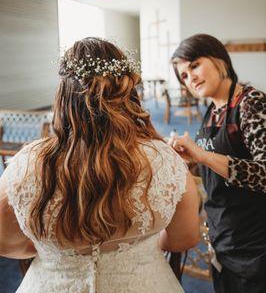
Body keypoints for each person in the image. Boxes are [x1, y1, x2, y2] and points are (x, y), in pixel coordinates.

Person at [0, 37, 200, 293]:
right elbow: (185, 238)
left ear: (63, 95)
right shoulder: (165, 159)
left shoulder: (24, 165)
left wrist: (55, 253)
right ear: (129, 94)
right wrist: (139, 248)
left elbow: (5, 242)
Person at [169, 33, 266, 293]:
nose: (191, 78)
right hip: (223, 237)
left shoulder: (251, 104)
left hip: (255, 243)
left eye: (194, 65)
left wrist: (202, 155)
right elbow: (220, 167)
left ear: (218, 58)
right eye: (184, 77)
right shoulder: (213, 110)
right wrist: (192, 162)